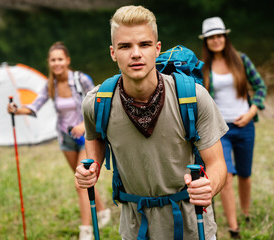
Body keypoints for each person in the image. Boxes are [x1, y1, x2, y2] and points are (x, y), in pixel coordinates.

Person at [75, 5, 229, 240]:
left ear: (157, 49)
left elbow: (217, 164)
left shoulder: (192, 97)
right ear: (113, 52)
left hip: (192, 226)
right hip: (136, 228)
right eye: (125, 46)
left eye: (144, 45)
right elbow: (94, 137)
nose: (135, 54)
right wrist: (92, 167)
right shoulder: (96, 103)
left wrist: (209, 185)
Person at [7, 41, 111, 240]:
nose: (57, 63)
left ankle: (86, 231)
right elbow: (35, 105)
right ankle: (102, 210)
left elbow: (99, 103)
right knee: (83, 179)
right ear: (49, 62)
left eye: (60, 59)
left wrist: (84, 124)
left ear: (67, 60)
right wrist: (16, 110)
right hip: (66, 139)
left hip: (86, 138)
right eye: (53, 60)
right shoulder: (50, 85)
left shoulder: (81, 80)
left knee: (79, 184)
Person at [199, 17, 267, 239]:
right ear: (206, 41)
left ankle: (246, 213)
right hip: (221, 130)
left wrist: (250, 113)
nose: (216, 40)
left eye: (219, 35)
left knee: (245, 175)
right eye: (211, 37)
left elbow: (260, 87)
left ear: (225, 37)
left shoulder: (241, 60)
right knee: (226, 175)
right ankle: (233, 227)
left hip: (245, 124)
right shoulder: (203, 67)